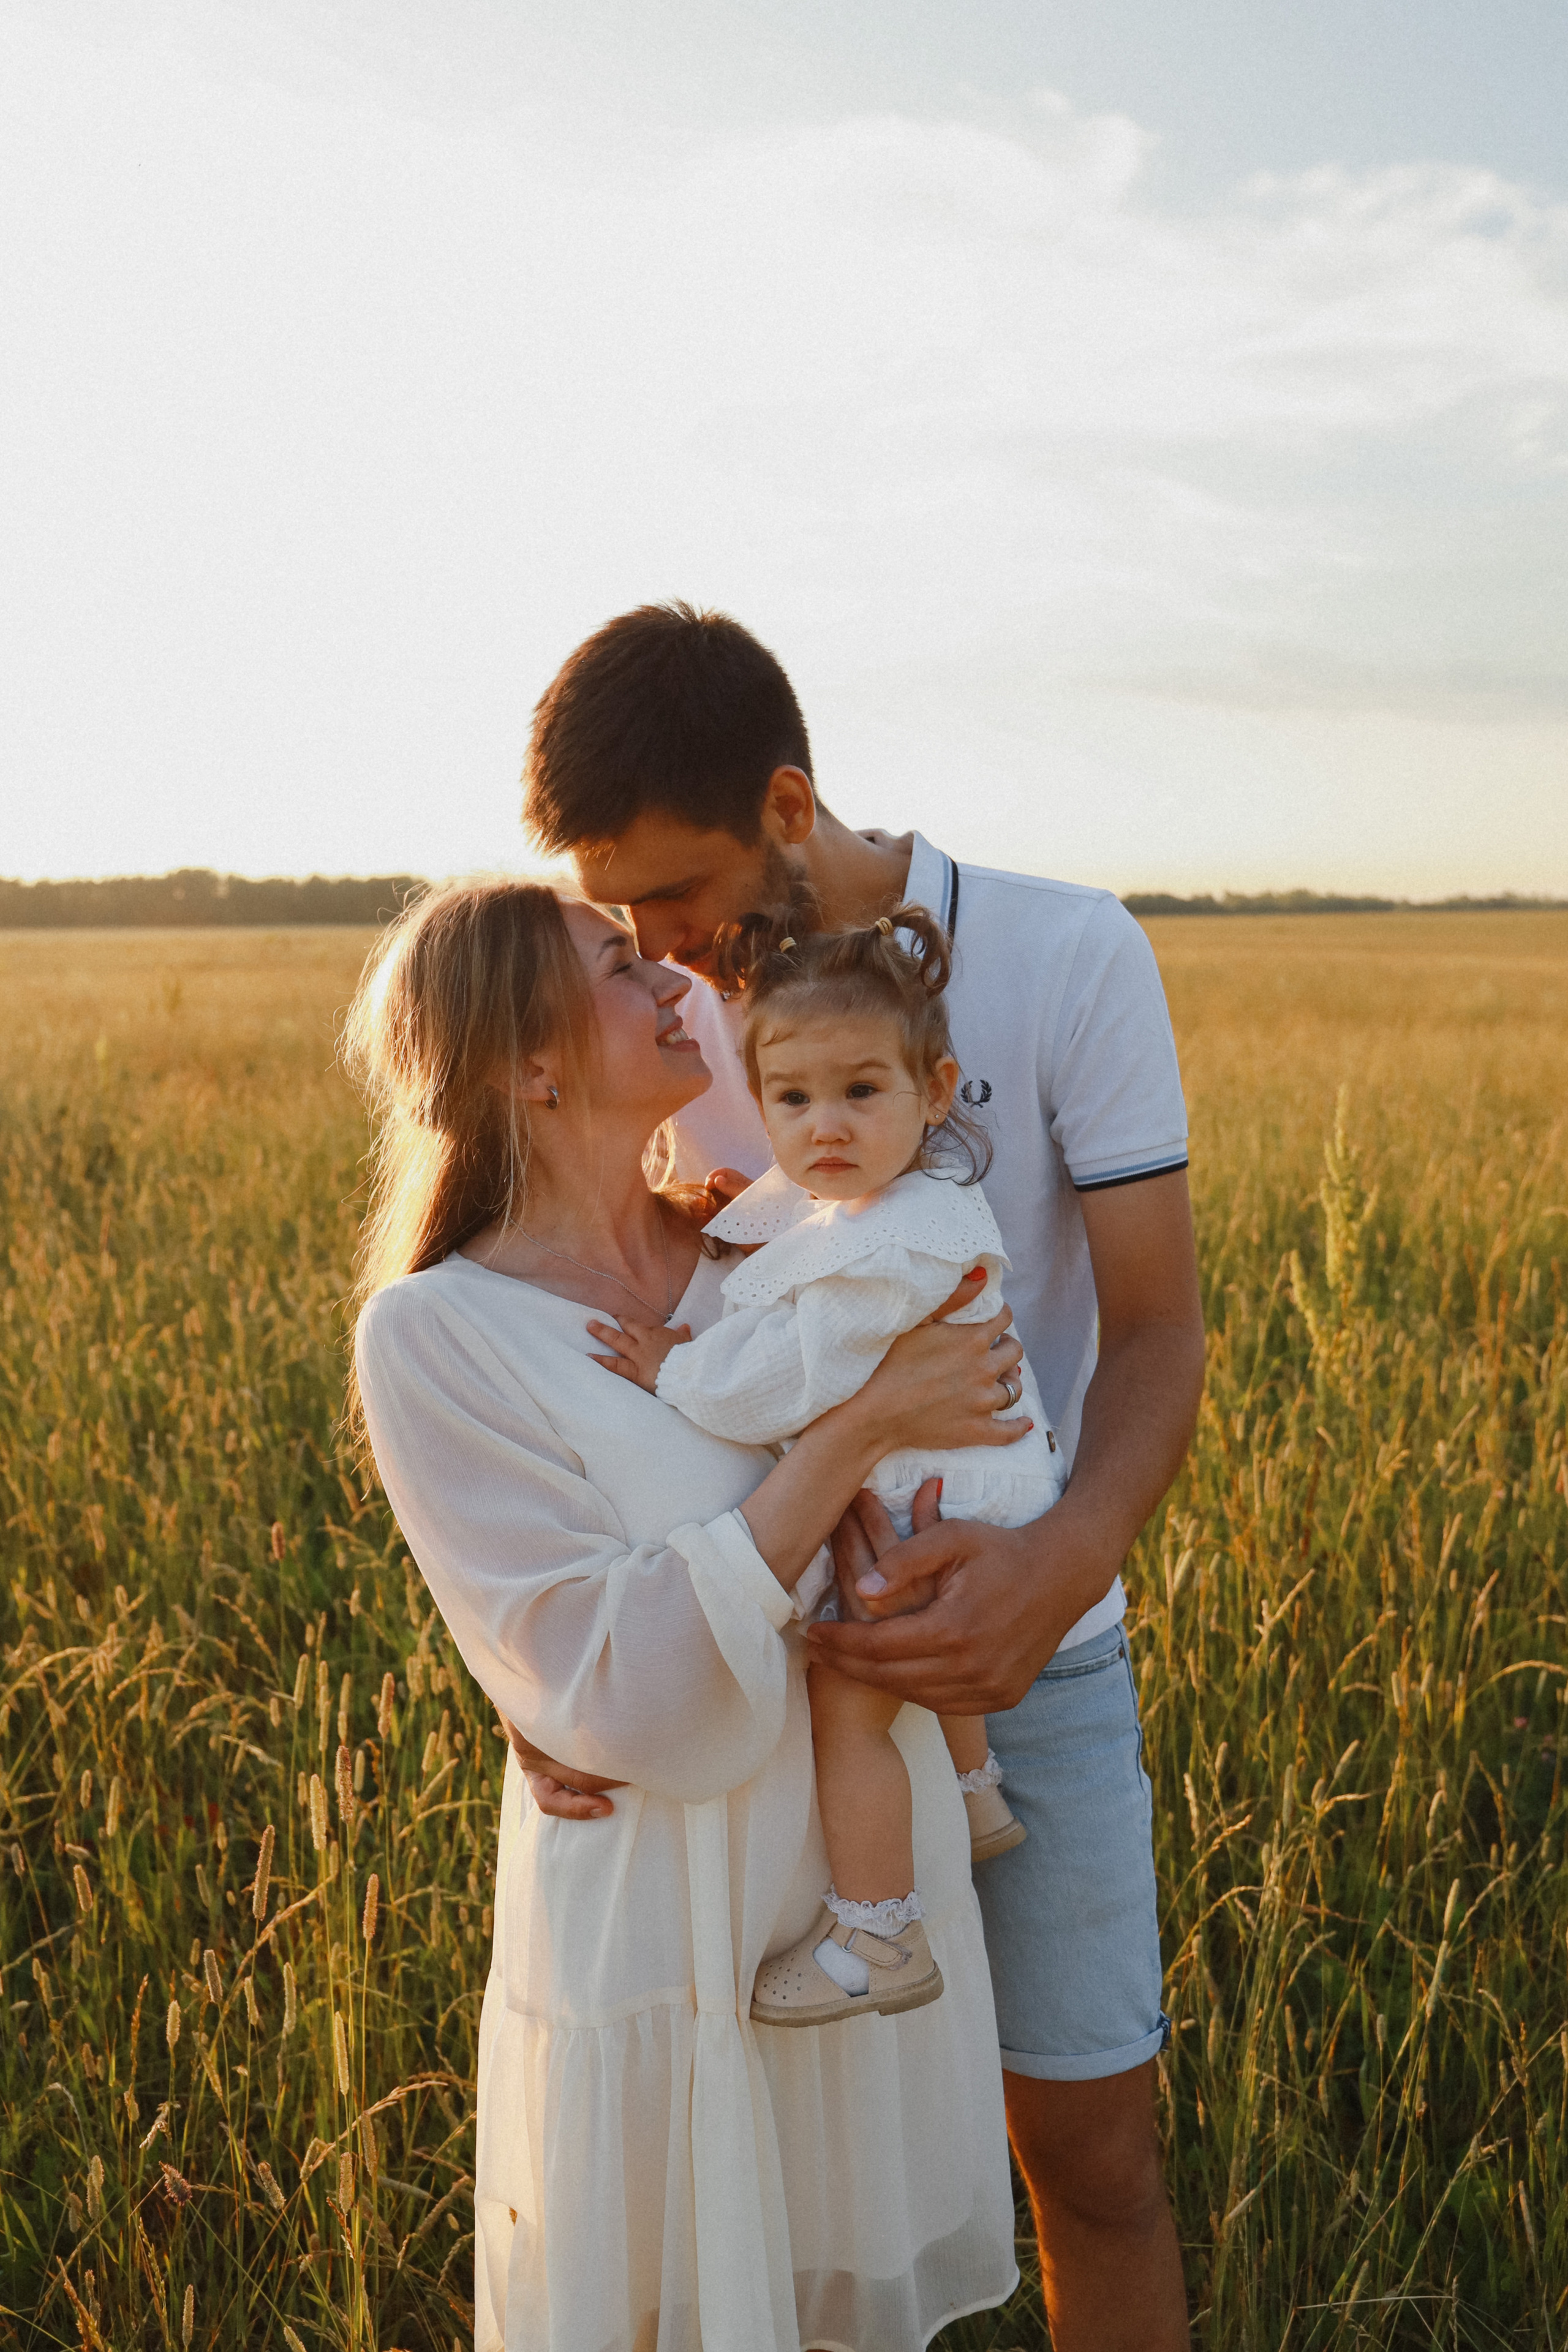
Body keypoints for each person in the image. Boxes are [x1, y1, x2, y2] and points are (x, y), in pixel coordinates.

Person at [516, 603, 1206, 2352]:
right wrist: (560, 1676)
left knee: (1091, 2155)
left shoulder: (1072, 955)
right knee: (801, 2201)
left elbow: (1155, 1335)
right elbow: (587, 1351)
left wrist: (1050, 1572)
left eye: (673, 894)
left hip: (1033, 1653)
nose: (654, 944)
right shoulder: (670, 1039)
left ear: (788, 799)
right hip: (773, 1673)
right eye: (620, 917)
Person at [345, 877, 1030, 2352]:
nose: (671, 981)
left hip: (850, 1922)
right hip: (671, 1931)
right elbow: (623, 1692)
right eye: (615, 967)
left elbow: (965, 1460)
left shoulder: (772, 1252)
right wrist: (849, 1437)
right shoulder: (438, 1333)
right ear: (528, 1065)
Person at [595, 902, 1065, 2030]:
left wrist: (678, 1370)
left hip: (940, 1495)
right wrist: (728, 1223)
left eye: (862, 1092)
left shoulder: (892, 1245)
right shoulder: (903, 1196)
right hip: (972, 1477)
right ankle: (973, 1788)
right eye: (792, 1101)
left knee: (848, 1707)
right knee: (900, 1633)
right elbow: (792, 1214)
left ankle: (877, 1934)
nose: (826, 1128)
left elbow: (790, 1378)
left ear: (935, 1092)